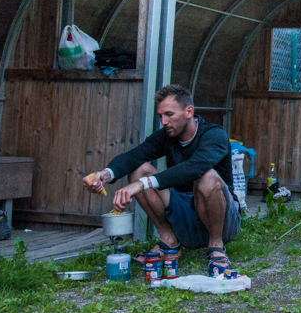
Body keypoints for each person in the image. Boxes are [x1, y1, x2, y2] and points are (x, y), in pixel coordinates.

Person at [82, 84, 239, 276]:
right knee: (138, 171)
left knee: (207, 176)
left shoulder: (214, 135)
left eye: (169, 114)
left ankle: (216, 247)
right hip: (183, 213)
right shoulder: (166, 136)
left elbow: (194, 167)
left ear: (189, 111)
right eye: (160, 116)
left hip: (224, 220)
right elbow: (134, 156)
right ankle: (169, 241)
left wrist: (142, 185)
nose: (164, 121)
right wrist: (104, 175)